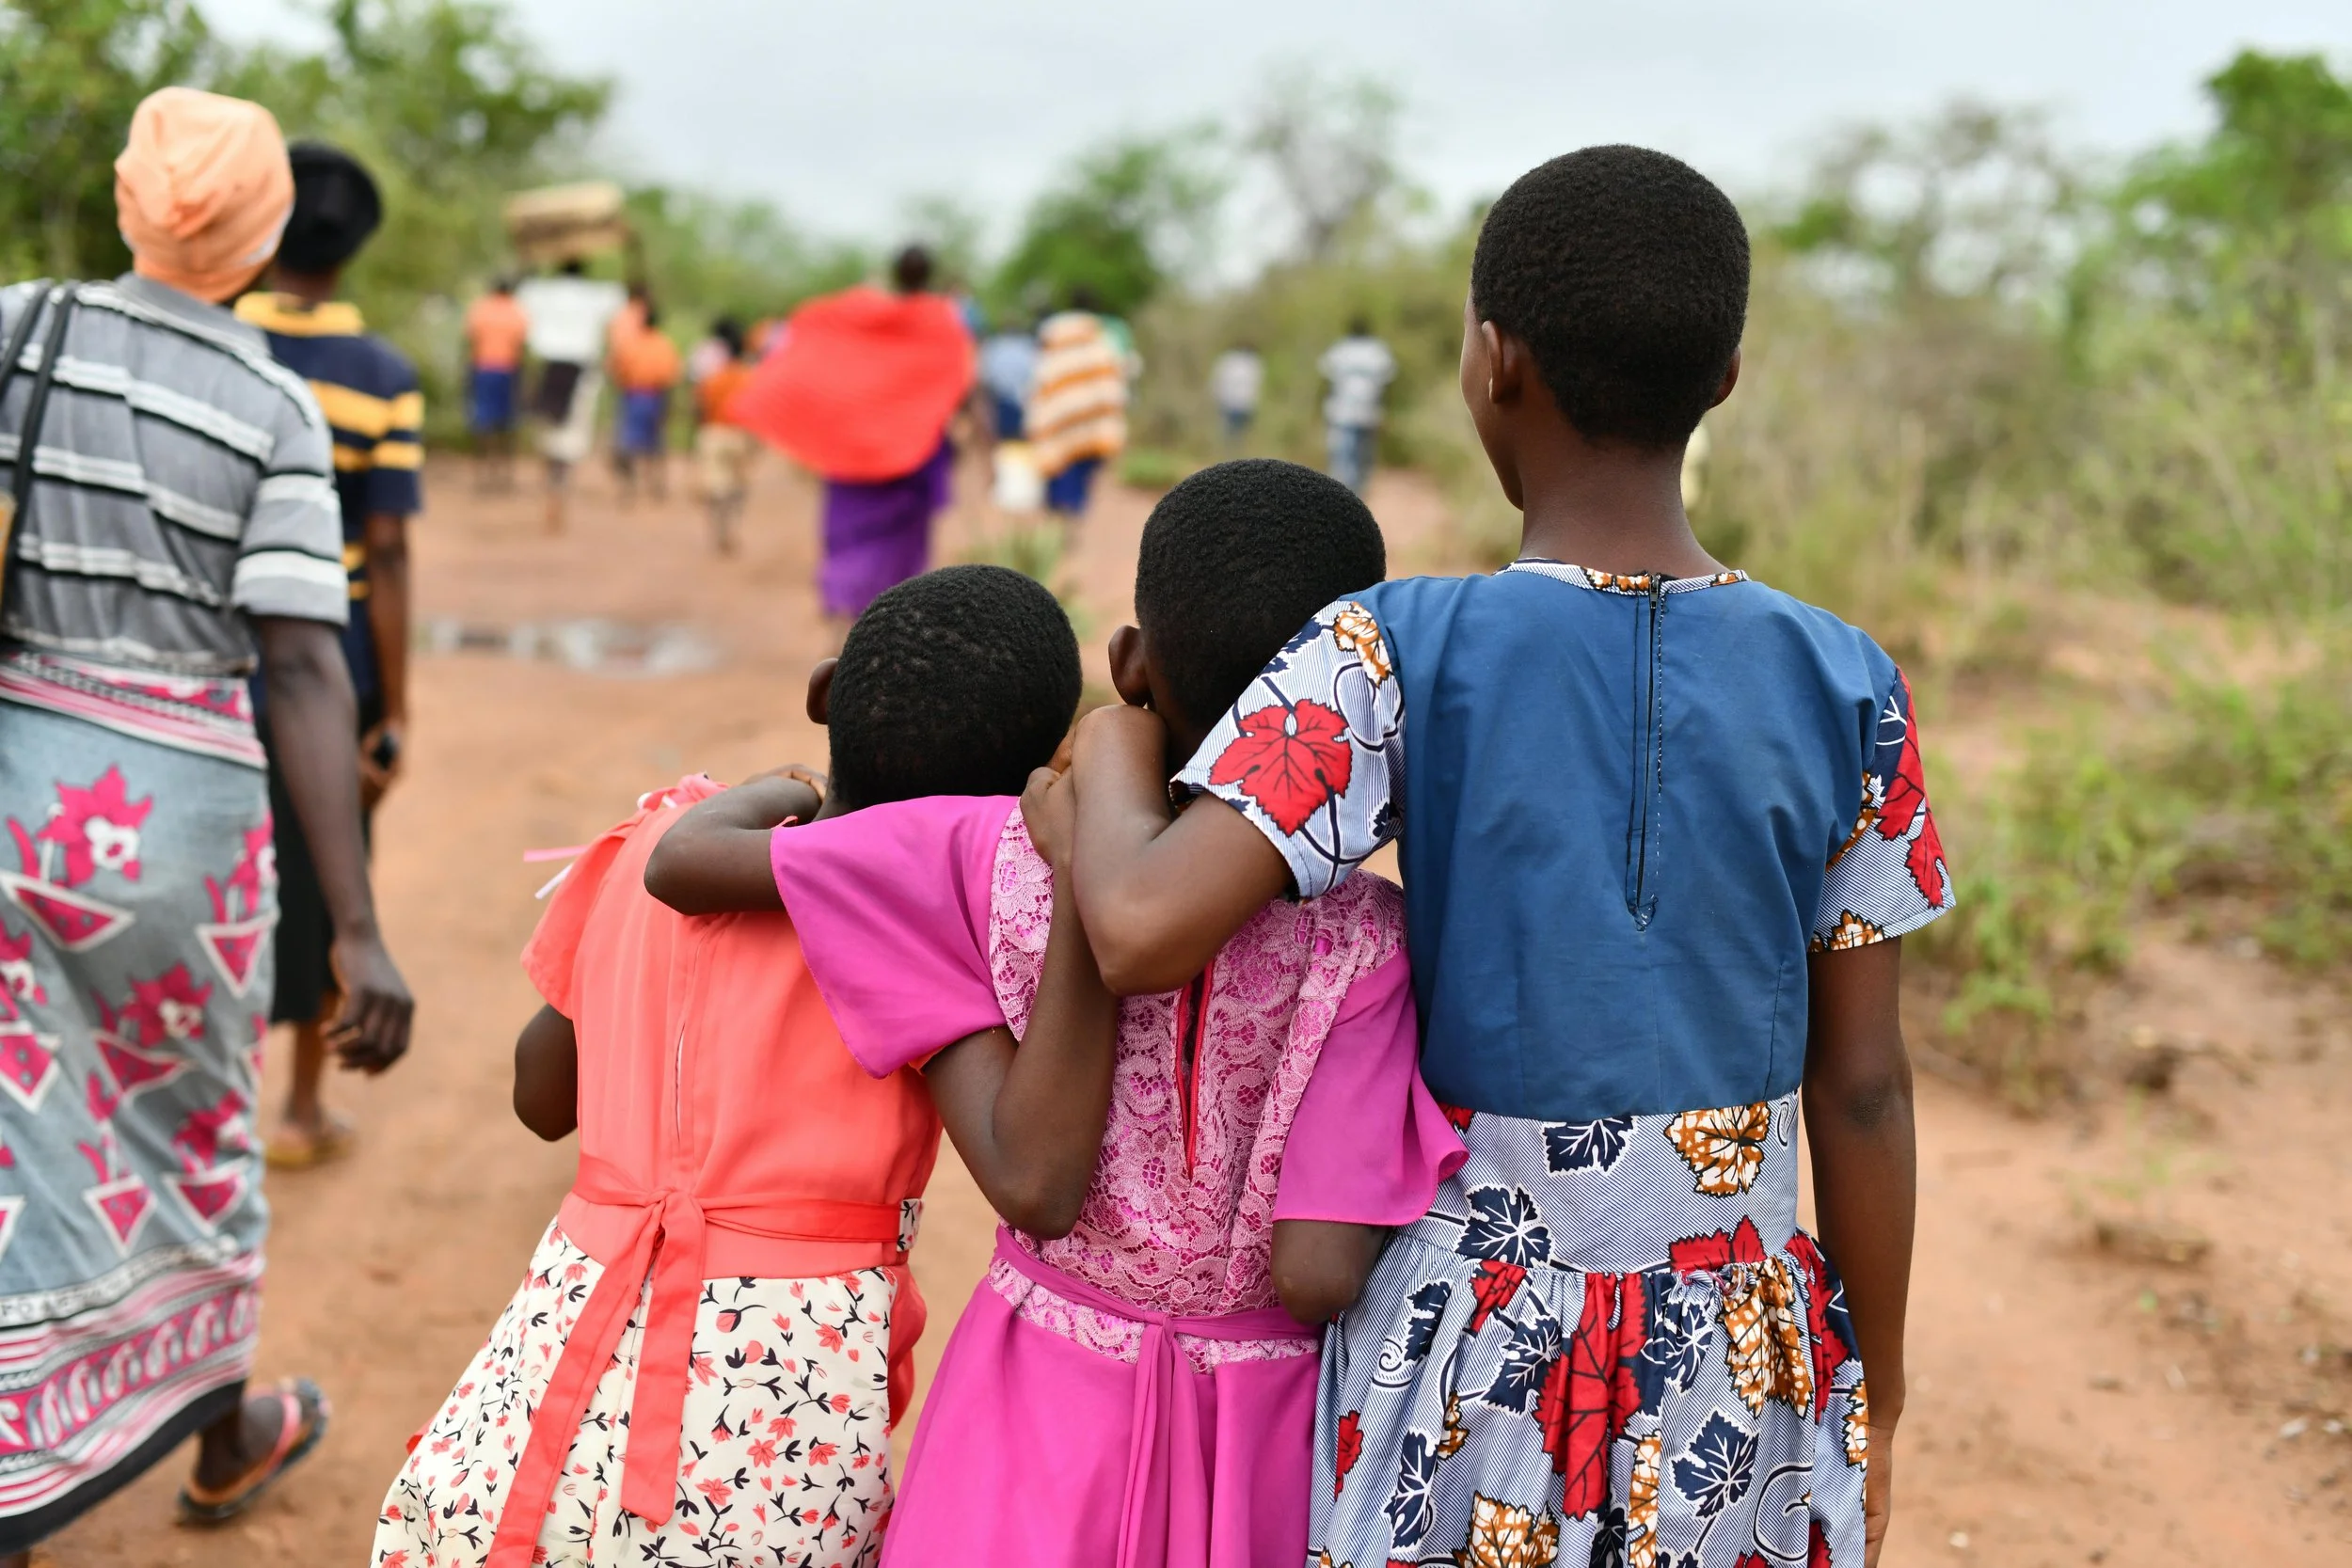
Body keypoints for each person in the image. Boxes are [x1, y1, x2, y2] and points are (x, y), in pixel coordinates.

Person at [1060, 148, 1945, 1568]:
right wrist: (1876, 1394)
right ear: (1725, 375)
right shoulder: (1853, 684)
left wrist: (1109, 759)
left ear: (1492, 363)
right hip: (1744, 1344)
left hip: (1474, 1337)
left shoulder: (1390, 646)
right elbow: (1863, 1082)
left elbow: (1136, 927)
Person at [644, 461, 1467, 1568]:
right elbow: (1317, 1270)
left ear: (1129, 666)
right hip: (1256, 1451)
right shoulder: (1371, 941)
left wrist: (809, 788)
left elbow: (692, 867)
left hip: (1032, 1402)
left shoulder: (978, 852)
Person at [373, 565, 1089, 1568]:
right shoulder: (913, 918)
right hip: (767, 1427)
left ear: (823, 693)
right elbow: (1032, 1171)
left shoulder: (655, 843)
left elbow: (542, 1095)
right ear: (1020, 785)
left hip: (543, 1377)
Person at [0, 87, 411, 1560]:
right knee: (185, 1130)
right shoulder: (270, 406)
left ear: (122, 199)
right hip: (176, 825)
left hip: (10, 789)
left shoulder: (19, 326)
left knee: (12, 1132)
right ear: (267, 235)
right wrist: (356, 927)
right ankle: (224, 1431)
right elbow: (304, 658)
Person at [233, 141, 422, 1172]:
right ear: (357, 247)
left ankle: (208, 1095)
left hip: (220, 647)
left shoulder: (220, 341)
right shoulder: (382, 376)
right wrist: (390, 707)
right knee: (324, 862)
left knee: (225, 856)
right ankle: (300, 1107)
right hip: (328, 651)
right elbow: (387, 551)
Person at [727, 245, 975, 626]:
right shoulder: (942, 322)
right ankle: (890, 620)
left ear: (896, 273)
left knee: (847, 534)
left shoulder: (861, 315)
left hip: (854, 448)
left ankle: (846, 610)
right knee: (903, 544)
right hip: (911, 451)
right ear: (930, 275)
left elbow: (817, 335)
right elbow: (958, 386)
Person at [516, 259, 627, 533]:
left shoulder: (542, 292)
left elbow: (522, 289)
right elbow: (625, 296)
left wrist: (529, 260)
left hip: (548, 368)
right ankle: (559, 489)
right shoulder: (595, 295)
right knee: (571, 437)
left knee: (548, 432)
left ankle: (552, 488)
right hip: (581, 371)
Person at [1025, 290, 1127, 526]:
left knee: (1060, 474)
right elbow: (1112, 387)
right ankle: (1069, 523)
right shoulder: (1102, 341)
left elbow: (1040, 382)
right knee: (1079, 478)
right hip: (1090, 425)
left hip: (1057, 422)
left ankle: (1057, 525)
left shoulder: (1050, 339)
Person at [691, 316, 757, 554]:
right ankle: (733, 527)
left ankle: (718, 529)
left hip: (714, 432)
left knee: (715, 487)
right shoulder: (749, 376)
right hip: (740, 434)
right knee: (739, 487)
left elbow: (699, 406)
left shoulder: (713, 377)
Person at [608, 301, 679, 504]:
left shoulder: (632, 344)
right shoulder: (665, 344)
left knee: (628, 444)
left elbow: (616, 371)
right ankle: (656, 485)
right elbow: (671, 377)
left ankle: (630, 488)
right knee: (656, 444)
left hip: (633, 396)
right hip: (655, 397)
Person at [1317, 315, 1396, 494]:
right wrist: (1385, 410)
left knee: (1344, 458)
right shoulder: (1377, 351)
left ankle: (1345, 497)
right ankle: (1354, 497)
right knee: (1362, 459)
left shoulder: (1340, 350)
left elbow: (1326, 383)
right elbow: (1388, 386)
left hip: (1343, 413)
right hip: (1367, 414)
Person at [463, 277, 529, 490]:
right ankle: (505, 475)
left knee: (483, 421)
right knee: (508, 422)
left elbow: (471, 338)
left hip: (483, 368)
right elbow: (521, 342)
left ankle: (482, 474)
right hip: (509, 369)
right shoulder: (516, 310)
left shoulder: (480, 309)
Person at [977, 318, 1039, 441]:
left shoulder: (993, 347)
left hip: (1001, 406)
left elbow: (985, 378)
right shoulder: (1027, 346)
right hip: (1025, 405)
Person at [1210, 342, 1263, 452]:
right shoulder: (1253, 363)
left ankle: (1233, 452)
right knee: (1236, 433)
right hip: (1238, 403)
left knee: (1233, 433)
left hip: (1235, 403)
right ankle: (1233, 452)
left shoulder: (1228, 361)